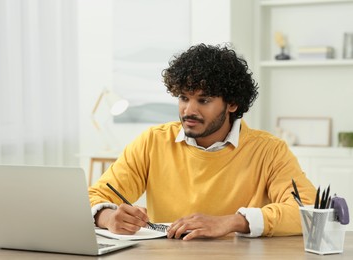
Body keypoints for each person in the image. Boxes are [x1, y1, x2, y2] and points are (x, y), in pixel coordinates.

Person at [88, 43, 316, 240]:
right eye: (183, 98)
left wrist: (234, 222)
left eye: (203, 100)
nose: (189, 110)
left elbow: (309, 211)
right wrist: (108, 218)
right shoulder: (152, 142)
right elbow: (92, 196)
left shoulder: (269, 150)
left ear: (232, 104)